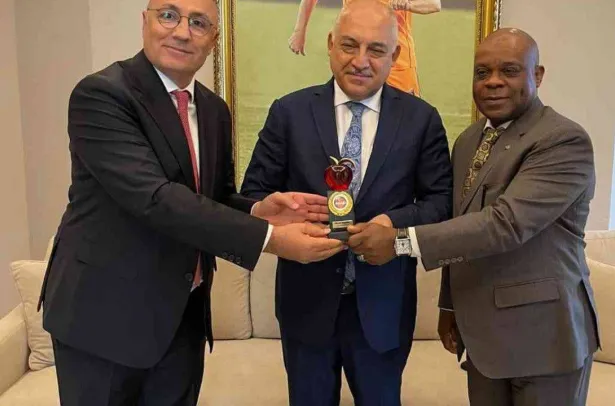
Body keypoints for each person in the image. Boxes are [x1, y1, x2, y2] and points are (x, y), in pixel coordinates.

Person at [38, 0, 343, 404]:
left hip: (182, 316)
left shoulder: (214, 110)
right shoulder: (103, 95)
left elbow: (212, 197)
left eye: (199, 23)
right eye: (168, 15)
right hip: (104, 318)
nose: (182, 31)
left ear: (213, 39)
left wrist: (259, 210)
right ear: (145, 21)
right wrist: (270, 238)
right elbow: (156, 198)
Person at [347, 28, 599, 406]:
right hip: (483, 338)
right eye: (482, 73)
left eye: (509, 70)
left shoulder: (562, 140)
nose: (493, 82)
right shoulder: (469, 140)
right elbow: (460, 222)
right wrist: (450, 305)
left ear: (538, 75)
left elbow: (504, 224)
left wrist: (400, 242)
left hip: (545, 338)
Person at [241, 1, 452, 404]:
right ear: (330, 44)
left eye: (376, 49)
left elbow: (440, 202)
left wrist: (392, 224)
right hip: (306, 306)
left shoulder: (421, 119)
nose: (360, 61)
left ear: (395, 55)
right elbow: (253, 196)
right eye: (349, 45)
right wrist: (276, 213)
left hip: (383, 309)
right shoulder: (289, 112)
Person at [288, 0, 441, 97]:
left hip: (395, 63)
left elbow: (434, 4)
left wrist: (407, 4)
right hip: (353, 55)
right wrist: (299, 31)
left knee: (404, 120)